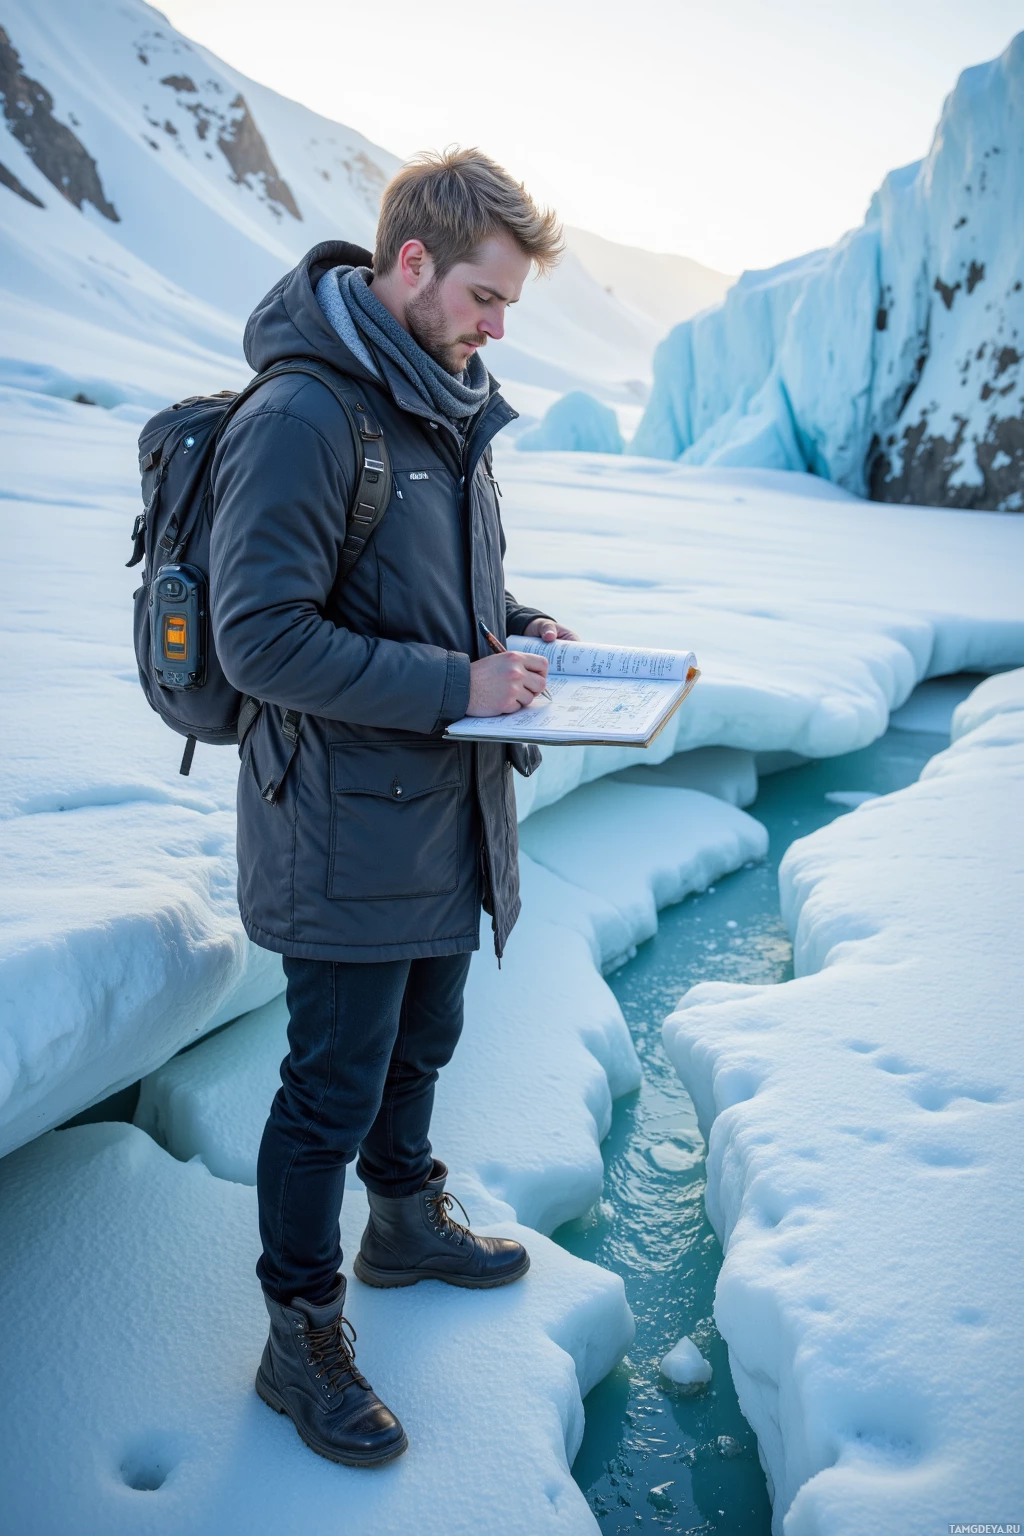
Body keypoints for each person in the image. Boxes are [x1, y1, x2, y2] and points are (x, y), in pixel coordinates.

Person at [209, 148, 576, 1467]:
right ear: (409, 265)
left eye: (511, 309)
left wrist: (523, 633)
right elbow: (259, 640)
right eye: (485, 297)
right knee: (330, 1087)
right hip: (339, 825)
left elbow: (434, 594)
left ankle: (404, 1221)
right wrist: (457, 679)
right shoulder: (308, 414)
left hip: (436, 811)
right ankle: (298, 1340)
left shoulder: (442, 403)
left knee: (425, 1036)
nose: (497, 328)